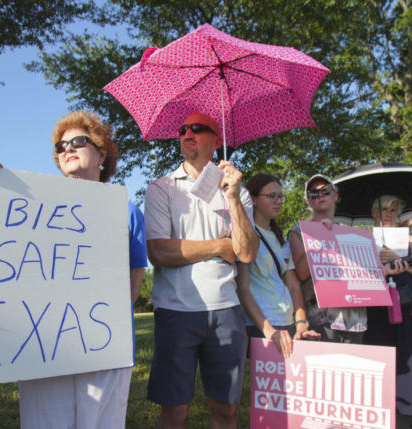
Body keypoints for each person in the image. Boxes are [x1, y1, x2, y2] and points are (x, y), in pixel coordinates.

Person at [0, 110, 147, 428]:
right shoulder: (33, 206)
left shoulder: (127, 211)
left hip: (104, 347)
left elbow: (133, 288)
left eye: (80, 141)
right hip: (44, 344)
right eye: (61, 146)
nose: (68, 148)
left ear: (102, 154)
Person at [144, 112, 259, 428]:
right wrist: (220, 247)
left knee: (226, 411)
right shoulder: (161, 188)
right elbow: (159, 252)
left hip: (227, 311)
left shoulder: (239, 190)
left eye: (197, 128)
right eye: (182, 130)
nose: (187, 133)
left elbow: (247, 252)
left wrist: (233, 198)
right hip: (176, 311)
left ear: (216, 140)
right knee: (175, 412)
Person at [362, 195, 412, 429]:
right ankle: (379, 412)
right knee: (377, 355)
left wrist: (402, 259)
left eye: (394, 209)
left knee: (410, 355)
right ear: (374, 212)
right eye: (384, 208)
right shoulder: (361, 239)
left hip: (405, 303)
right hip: (374, 304)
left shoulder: (410, 238)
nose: (389, 213)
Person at [236, 174, 319, 358]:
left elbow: (293, 286)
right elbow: (242, 289)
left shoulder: (280, 239)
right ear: (254, 199)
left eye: (280, 196)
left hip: (287, 324)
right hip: (260, 326)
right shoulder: (244, 236)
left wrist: (301, 324)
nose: (278, 201)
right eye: (272, 196)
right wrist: (269, 331)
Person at [287, 175, 367, 343]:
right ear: (308, 201)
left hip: (355, 318)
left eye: (325, 191)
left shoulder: (351, 233)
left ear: (335, 195)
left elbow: (363, 273)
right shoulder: (298, 232)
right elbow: (301, 273)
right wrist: (322, 238)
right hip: (320, 319)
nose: (320, 195)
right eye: (313, 194)